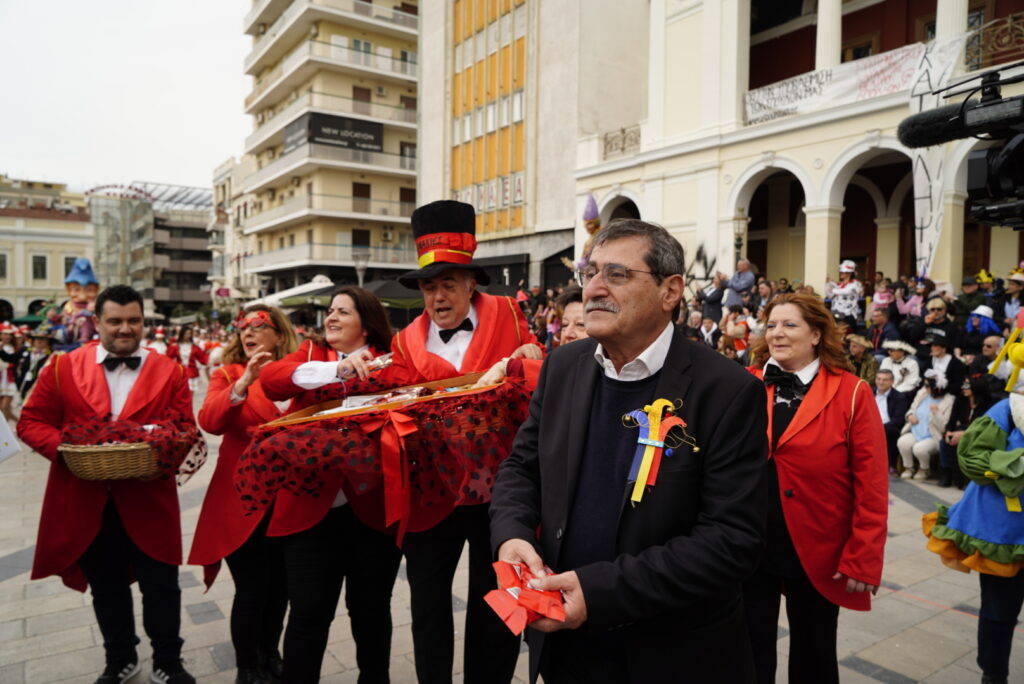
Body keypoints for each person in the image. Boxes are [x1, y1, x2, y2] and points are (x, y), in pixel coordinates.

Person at [491, 219, 768, 683]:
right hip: (565, 646)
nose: (594, 288)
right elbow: (522, 468)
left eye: (617, 275)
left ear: (670, 291)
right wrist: (512, 533)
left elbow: (731, 541)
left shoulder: (726, 391)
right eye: (590, 272)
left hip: (672, 656)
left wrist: (598, 593)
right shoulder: (563, 367)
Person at [319, 201, 543, 684]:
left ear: (470, 284)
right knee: (427, 604)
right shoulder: (402, 344)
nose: (437, 296)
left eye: (447, 284)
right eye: (428, 286)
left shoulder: (508, 314)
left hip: (499, 492)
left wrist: (531, 352)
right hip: (431, 491)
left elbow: (533, 375)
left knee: (499, 597)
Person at [17, 285, 201, 684]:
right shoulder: (63, 367)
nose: (125, 328)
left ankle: (168, 661)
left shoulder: (169, 369)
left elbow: (186, 428)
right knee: (107, 586)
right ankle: (120, 658)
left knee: (163, 585)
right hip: (86, 499)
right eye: (115, 321)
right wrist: (67, 453)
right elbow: (31, 422)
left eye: (133, 320)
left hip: (150, 496)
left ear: (143, 323)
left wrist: (164, 452)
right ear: (97, 322)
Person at [258, 287, 404, 683]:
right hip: (309, 513)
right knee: (307, 614)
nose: (331, 317)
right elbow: (271, 381)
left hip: (373, 513)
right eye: (330, 311)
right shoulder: (309, 355)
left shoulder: (392, 361)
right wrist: (333, 370)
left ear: (366, 321)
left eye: (343, 311)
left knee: (372, 611)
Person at [744, 293, 887, 684]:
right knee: (748, 652)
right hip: (750, 544)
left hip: (818, 547)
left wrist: (864, 554)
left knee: (814, 654)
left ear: (817, 336)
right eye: (771, 325)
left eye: (790, 325)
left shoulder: (853, 392)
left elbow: (872, 482)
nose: (777, 333)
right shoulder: (747, 383)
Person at [189, 305, 299, 683]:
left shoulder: (300, 376)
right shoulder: (227, 374)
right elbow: (210, 421)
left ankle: (271, 655)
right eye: (242, 329)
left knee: (281, 590)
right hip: (242, 504)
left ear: (279, 335)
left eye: (258, 327)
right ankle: (247, 667)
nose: (247, 333)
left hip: (291, 503)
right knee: (252, 589)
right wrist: (243, 384)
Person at [923, 393, 1024, 684]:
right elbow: (971, 457)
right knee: (999, 611)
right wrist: (1015, 465)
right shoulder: (1010, 409)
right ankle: (993, 674)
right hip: (1001, 532)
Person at [939, 376, 996, 488]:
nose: (964, 388)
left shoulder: (988, 404)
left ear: (977, 387)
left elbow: (985, 427)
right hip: (962, 429)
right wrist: (948, 432)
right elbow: (952, 420)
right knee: (944, 442)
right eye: (963, 385)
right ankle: (947, 474)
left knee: (965, 442)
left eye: (967, 386)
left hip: (980, 433)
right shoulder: (960, 400)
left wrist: (965, 435)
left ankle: (967, 477)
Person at [897, 369, 954, 480]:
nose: (925, 387)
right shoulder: (922, 393)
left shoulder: (949, 401)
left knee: (919, 449)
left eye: (927, 385)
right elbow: (911, 409)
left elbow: (945, 426)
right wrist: (909, 416)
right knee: (902, 442)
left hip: (933, 435)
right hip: (916, 430)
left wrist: (936, 413)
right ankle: (909, 467)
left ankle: (924, 469)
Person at [875, 369, 909, 474]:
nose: (881, 382)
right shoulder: (869, 392)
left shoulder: (899, 397)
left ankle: (890, 464)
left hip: (888, 427)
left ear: (891, 382)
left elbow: (898, 420)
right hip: (869, 425)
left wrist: (880, 427)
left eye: (885, 380)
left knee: (890, 432)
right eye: (879, 379)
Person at [14, 327, 55, 398]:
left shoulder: (52, 356)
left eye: (42, 339)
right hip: (23, 385)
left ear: (48, 341)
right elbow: (11, 358)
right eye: (37, 339)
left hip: (41, 389)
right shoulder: (26, 351)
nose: (39, 341)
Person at [167, 327, 208, 393]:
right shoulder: (175, 346)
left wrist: (212, 361)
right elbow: (168, 359)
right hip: (180, 373)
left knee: (190, 395)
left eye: (190, 334)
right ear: (182, 334)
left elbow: (203, 357)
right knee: (180, 395)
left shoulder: (194, 347)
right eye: (186, 334)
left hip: (192, 373)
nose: (188, 336)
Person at [825, 260, 863, 328]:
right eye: (841, 272)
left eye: (843, 272)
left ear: (849, 273)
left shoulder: (856, 284)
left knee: (848, 335)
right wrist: (828, 283)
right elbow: (829, 295)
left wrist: (833, 289)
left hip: (848, 315)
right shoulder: (839, 285)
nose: (841, 273)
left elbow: (846, 291)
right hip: (836, 313)